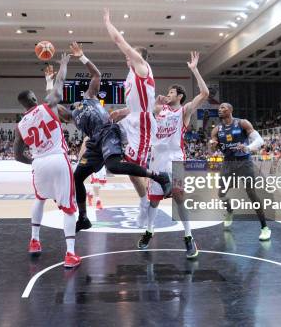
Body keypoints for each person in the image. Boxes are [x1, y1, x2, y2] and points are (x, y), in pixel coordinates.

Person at [55, 42, 171, 232]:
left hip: (109, 131)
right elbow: (52, 102)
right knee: (77, 177)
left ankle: (158, 176)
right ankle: (83, 217)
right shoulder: (72, 117)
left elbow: (96, 75)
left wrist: (82, 56)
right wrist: (51, 83)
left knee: (114, 167)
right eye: (58, 110)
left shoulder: (89, 97)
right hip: (95, 143)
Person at [135, 51, 209, 257]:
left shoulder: (183, 111)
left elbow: (204, 94)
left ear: (180, 96)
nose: (167, 94)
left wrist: (194, 70)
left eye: (171, 92)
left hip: (174, 159)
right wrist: (154, 105)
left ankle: (188, 237)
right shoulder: (159, 111)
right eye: (167, 92)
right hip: (156, 161)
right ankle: (149, 232)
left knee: (178, 197)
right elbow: (141, 113)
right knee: (154, 201)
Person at [13, 53, 81, 268]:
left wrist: (34, 162)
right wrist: (63, 64)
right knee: (70, 208)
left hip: (39, 162)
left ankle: (34, 241)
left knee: (40, 198)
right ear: (34, 99)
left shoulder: (20, 126)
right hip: (58, 159)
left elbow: (17, 155)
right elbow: (59, 84)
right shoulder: (47, 106)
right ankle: (70, 254)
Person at [104, 8, 157, 227]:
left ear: (140, 58)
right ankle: (105, 165)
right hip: (132, 118)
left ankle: (145, 201)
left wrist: (107, 22)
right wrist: (121, 112)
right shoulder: (130, 75)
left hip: (143, 123)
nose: (128, 55)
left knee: (133, 166)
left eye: (132, 53)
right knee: (101, 135)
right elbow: (136, 104)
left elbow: (119, 40)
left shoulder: (142, 67)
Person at [210, 103, 271, 241]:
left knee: (252, 194)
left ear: (231, 110)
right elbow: (213, 149)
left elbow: (259, 140)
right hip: (228, 163)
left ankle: (265, 228)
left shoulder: (242, 123)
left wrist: (247, 148)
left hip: (244, 162)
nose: (220, 110)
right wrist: (212, 146)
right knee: (221, 193)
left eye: (223, 107)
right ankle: (230, 211)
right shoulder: (216, 130)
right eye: (219, 108)